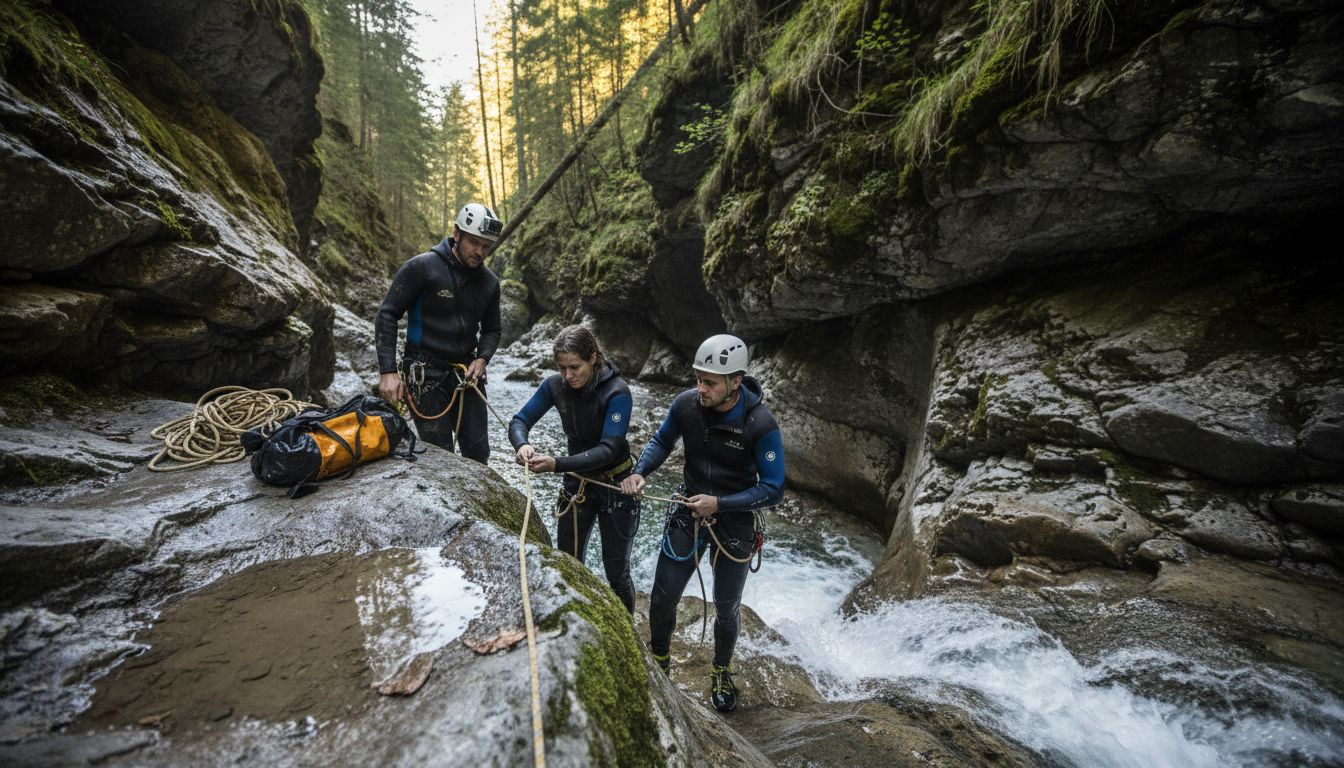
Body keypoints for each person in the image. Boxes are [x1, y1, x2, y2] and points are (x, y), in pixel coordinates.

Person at [620, 333, 784, 712]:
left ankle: (721, 671)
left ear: (735, 381)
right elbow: (662, 442)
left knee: (727, 607)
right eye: (698, 379)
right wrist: (640, 472)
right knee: (662, 597)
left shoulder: (760, 423)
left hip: (735, 522)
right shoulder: (685, 405)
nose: (700, 388)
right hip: (688, 509)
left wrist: (720, 503)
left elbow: (773, 489)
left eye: (709, 382)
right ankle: (660, 658)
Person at [508, 325, 639, 614]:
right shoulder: (555, 386)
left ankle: (629, 637)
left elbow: (609, 449)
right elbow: (519, 421)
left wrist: (556, 465)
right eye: (562, 367)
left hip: (616, 488)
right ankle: (573, 623)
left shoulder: (617, 392)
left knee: (617, 574)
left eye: (575, 367)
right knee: (569, 563)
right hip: (576, 488)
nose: (568, 375)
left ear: (592, 358)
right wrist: (522, 445)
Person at [375, 203, 503, 464]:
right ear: (457, 234)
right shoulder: (421, 268)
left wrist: (483, 358)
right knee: (440, 456)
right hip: (425, 374)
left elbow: (492, 328)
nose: (479, 252)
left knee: (478, 454)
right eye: (474, 242)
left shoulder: (489, 283)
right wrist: (388, 372)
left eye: (486, 246)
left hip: (466, 375)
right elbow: (387, 315)